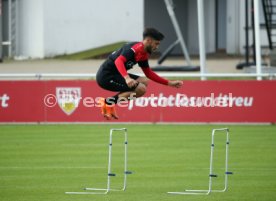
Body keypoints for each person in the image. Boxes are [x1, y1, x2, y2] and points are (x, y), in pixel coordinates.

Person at [96, 27, 183, 120]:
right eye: (156, 43)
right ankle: (108, 102)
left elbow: (148, 73)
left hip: (116, 74)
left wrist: (169, 83)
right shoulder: (134, 49)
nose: (157, 47)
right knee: (141, 89)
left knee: (144, 81)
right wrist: (127, 78)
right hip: (106, 77)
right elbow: (118, 61)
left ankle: (110, 102)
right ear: (149, 41)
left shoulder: (143, 53)